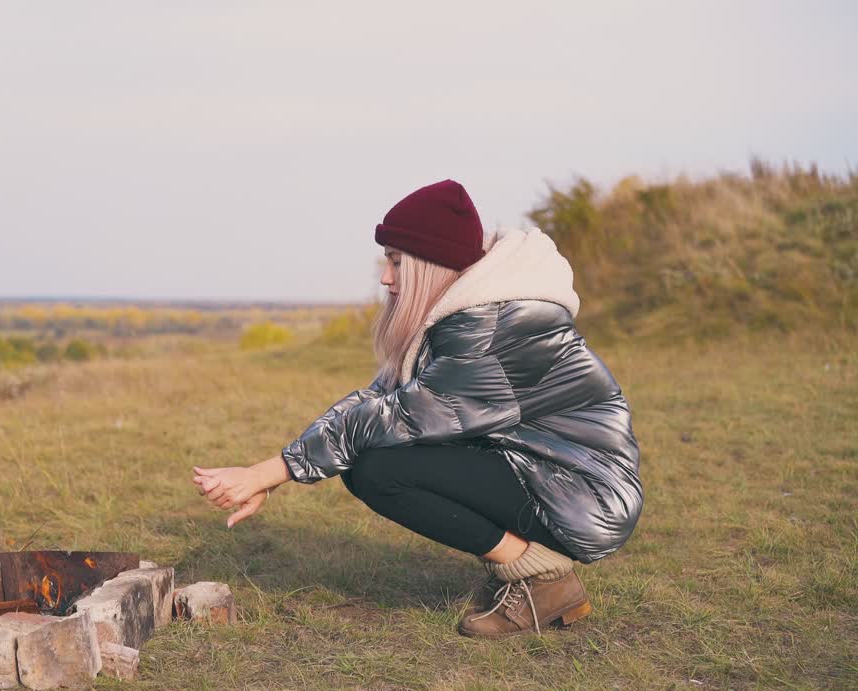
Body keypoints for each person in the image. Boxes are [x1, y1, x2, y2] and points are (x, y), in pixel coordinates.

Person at [192, 179, 643, 638]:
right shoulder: (469, 313)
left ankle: (542, 579)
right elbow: (375, 400)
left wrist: (269, 472)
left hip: (584, 494)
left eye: (396, 262)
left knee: (378, 469)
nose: (386, 278)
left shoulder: (493, 327)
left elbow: (399, 416)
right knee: (369, 461)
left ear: (431, 263)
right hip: (544, 470)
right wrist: (274, 473)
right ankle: (534, 570)